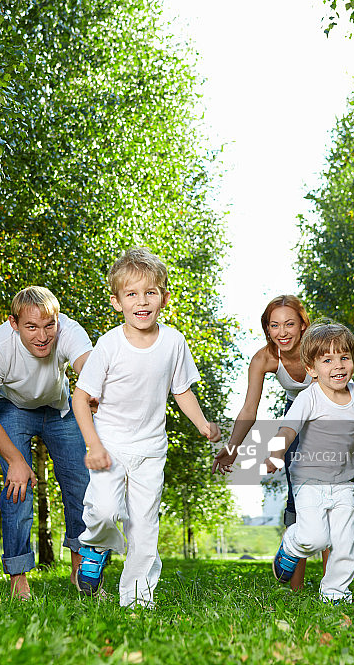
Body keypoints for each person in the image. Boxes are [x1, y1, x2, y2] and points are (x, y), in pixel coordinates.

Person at [72, 248, 221, 607]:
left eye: (150, 292)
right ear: (116, 301)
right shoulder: (108, 345)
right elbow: (80, 399)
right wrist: (94, 446)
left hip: (151, 451)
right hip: (109, 446)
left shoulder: (174, 342)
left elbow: (181, 389)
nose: (142, 301)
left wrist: (202, 424)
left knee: (144, 528)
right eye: (132, 294)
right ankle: (95, 547)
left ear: (164, 298)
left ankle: (138, 599)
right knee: (105, 510)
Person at [0, 286, 92, 600]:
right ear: (14, 323)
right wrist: (15, 460)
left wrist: (94, 390)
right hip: (12, 409)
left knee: (81, 483)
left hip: (58, 409)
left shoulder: (68, 331)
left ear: (57, 321)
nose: (42, 336)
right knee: (17, 487)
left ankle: (81, 568)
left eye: (49, 326)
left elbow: (87, 366)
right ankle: (18, 579)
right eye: (31, 327)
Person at [266, 320, 354, 603]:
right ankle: (291, 543)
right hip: (309, 482)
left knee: (345, 544)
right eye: (327, 360)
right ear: (312, 369)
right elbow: (287, 429)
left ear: (352, 360)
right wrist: (276, 453)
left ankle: (335, 593)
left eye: (344, 357)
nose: (338, 365)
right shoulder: (309, 397)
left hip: (342, 484)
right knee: (314, 538)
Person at [212, 294, 319, 589]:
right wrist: (232, 450)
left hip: (328, 413)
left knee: (331, 490)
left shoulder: (320, 346)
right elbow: (249, 410)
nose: (282, 332)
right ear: (267, 328)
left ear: (302, 325)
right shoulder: (265, 358)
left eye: (289, 324)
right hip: (294, 416)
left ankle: (331, 586)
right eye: (274, 325)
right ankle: (295, 586)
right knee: (298, 492)